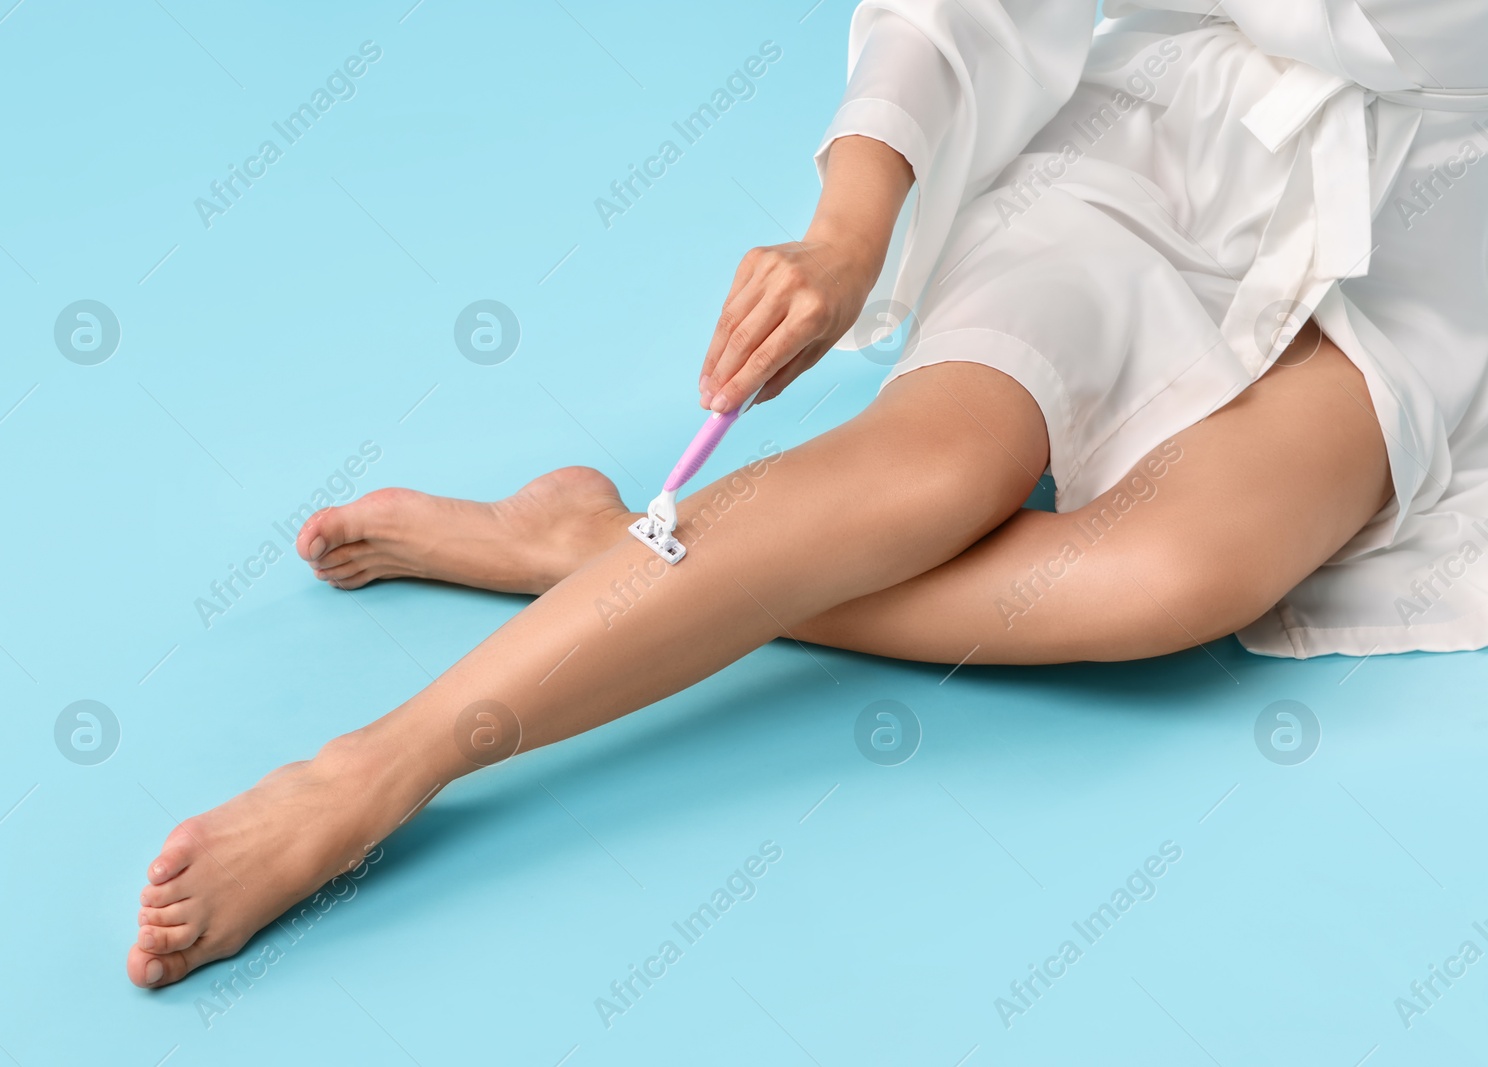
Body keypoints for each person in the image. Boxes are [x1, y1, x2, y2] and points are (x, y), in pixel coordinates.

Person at [128, 0, 1488, 987]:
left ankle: (592, 547)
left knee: (1177, 581)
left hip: (1434, 216)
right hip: (1159, 138)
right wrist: (846, 232)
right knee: (932, 470)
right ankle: (378, 769)